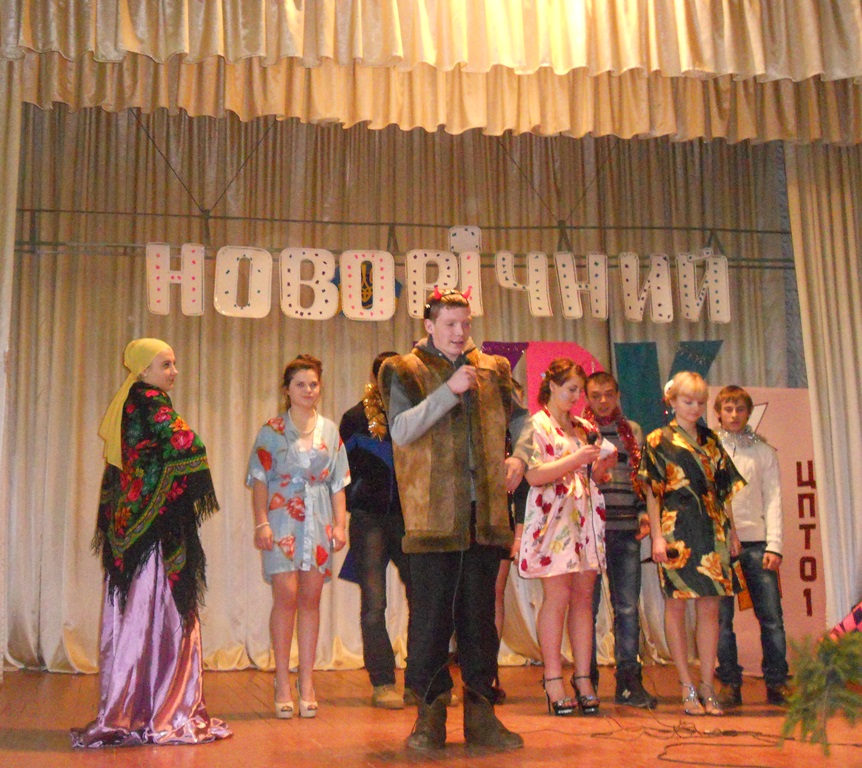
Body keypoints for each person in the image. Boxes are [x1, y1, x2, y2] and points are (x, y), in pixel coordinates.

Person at [378, 288, 528, 751]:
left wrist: (520, 456)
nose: (460, 332)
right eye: (450, 324)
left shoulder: (494, 369)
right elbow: (401, 430)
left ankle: (482, 714)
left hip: (484, 516)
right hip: (432, 518)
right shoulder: (403, 369)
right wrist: (448, 392)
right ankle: (430, 716)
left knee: (480, 621)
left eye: (465, 323)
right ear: (429, 325)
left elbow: (522, 420)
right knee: (430, 622)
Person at [71, 338, 231, 748]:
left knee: (136, 618)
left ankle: (132, 707)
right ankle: (164, 711)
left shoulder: (129, 403)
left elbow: (129, 469)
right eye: (166, 364)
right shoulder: (149, 401)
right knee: (161, 613)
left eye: (174, 363)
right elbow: (187, 444)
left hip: (134, 529)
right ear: (143, 370)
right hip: (154, 534)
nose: (174, 371)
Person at [247, 354, 350, 719]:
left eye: (313, 384)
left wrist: (340, 525)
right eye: (300, 384)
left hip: (318, 521)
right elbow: (259, 479)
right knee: (286, 596)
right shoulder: (271, 430)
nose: (308, 390)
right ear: (287, 390)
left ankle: (307, 683)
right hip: (281, 520)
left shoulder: (330, 430)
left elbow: (338, 483)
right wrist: (261, 523)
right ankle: (281, 682)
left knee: (311, 598)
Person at [637, 371, 744, 716]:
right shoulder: (657, 440)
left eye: (700, 402)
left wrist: (733, 532)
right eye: (688, 401)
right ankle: (686, 685)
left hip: (712, 530)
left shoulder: (712, 440)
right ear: (672, 401)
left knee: (711, 609)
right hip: (675, 531)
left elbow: (724, 491)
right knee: (677, 607)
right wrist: (656, 536)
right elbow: (653, 494)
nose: (695, 408)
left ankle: (708, 686)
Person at [514, 358, 616, 716]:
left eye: (579, 391)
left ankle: (583, 676)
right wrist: (576, 460)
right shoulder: (536, 425)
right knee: (556, 597)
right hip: (553, 518)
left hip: (583, 517)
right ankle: (553, 678)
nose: (575, 397)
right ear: (552, 386)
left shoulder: (584, 426)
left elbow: (591, 474)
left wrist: (600, 467)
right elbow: (533, 476)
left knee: (584, 599)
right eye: (571, 389)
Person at [339, 351, 412, 710]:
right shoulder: (355, 418)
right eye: (386, 377)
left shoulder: (418, 416)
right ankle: (382, 682)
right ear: (374, 378)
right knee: (374, 603)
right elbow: (342, 473)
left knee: (424, 599)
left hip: (413, 520)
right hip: (369, 519)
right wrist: (357, 500)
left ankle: (424, 681)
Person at [582, 371, 658, 709]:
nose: (603, 401)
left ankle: (628, 681)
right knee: (586, 608)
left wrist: (643, 513)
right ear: (586, 397)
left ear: (618, 395)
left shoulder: (633, 431)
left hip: (626, 528)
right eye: (595, 395)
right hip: (591, 531)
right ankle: (586, 679)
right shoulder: (580, 431)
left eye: (609, 394)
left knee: (627, 607)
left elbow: (639, 479)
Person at [713, 385, 790, 707]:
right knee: (721, 621)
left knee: (771, 618)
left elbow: (773, 500)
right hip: (718, 546)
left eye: (740, 409)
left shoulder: (763, 452)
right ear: (718, 413)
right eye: (728, 409)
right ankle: (730, 683)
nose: (734, 415)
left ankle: (777, 682)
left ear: (748, 413)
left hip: (758, 544)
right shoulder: (709, 449)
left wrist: (775, 545)